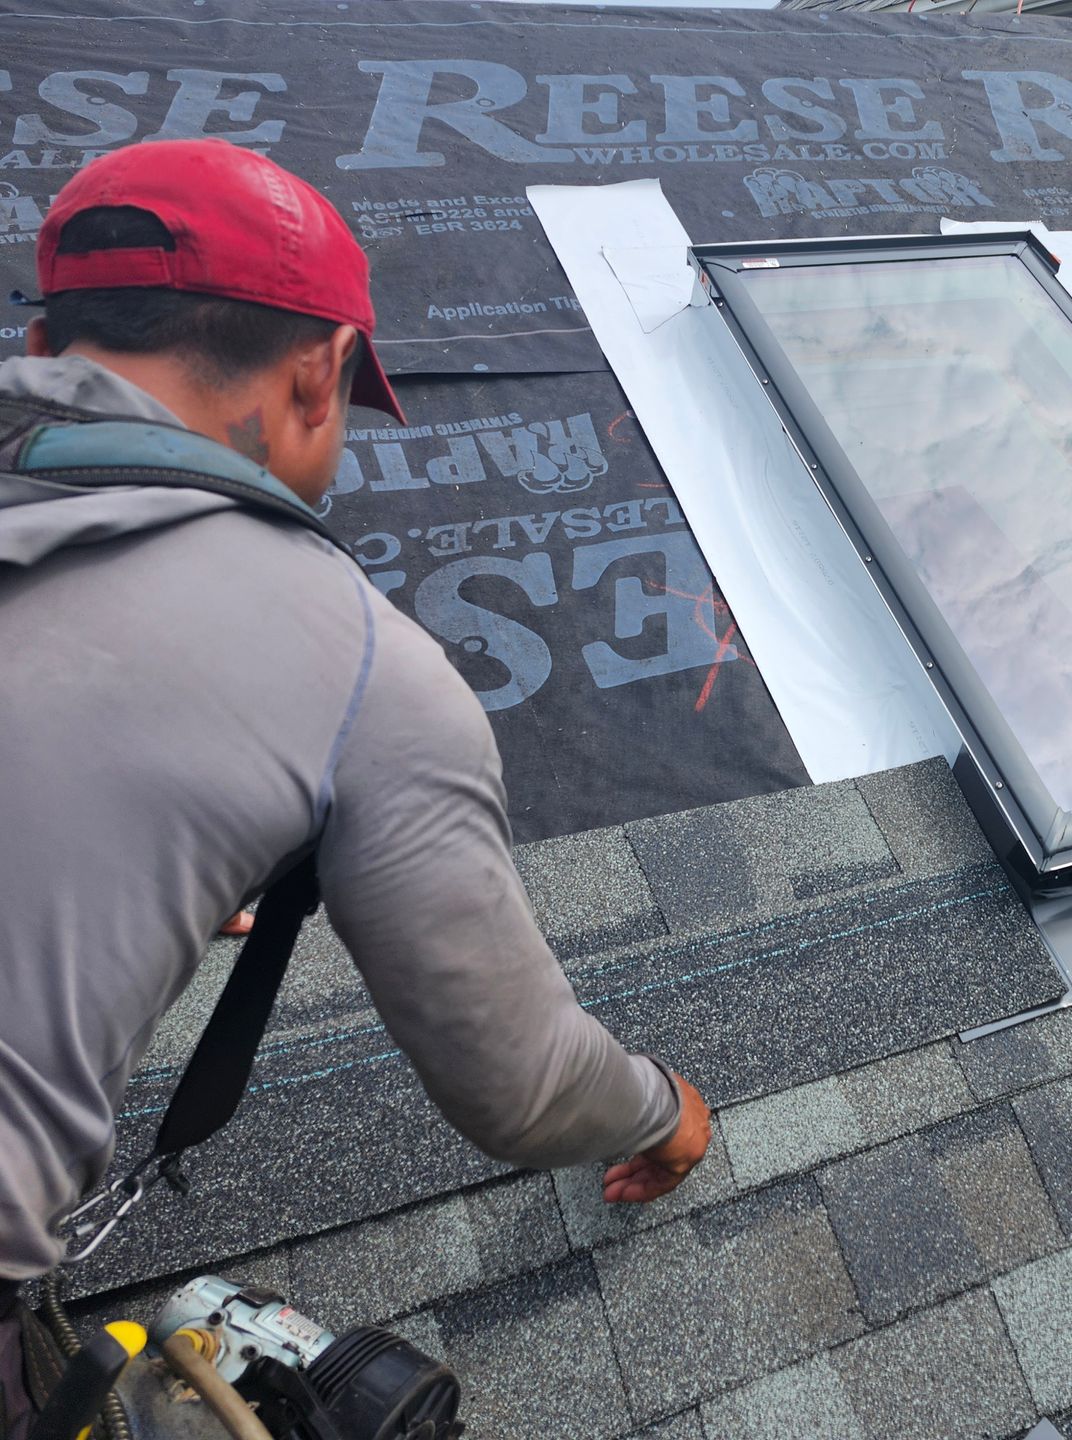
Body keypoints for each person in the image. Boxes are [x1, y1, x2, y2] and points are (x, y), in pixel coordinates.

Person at [0, 140, 710, 1433]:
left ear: (51, 334)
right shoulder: (358, 664)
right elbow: (523, 1080)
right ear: (320, 372)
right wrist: (666, 1110)